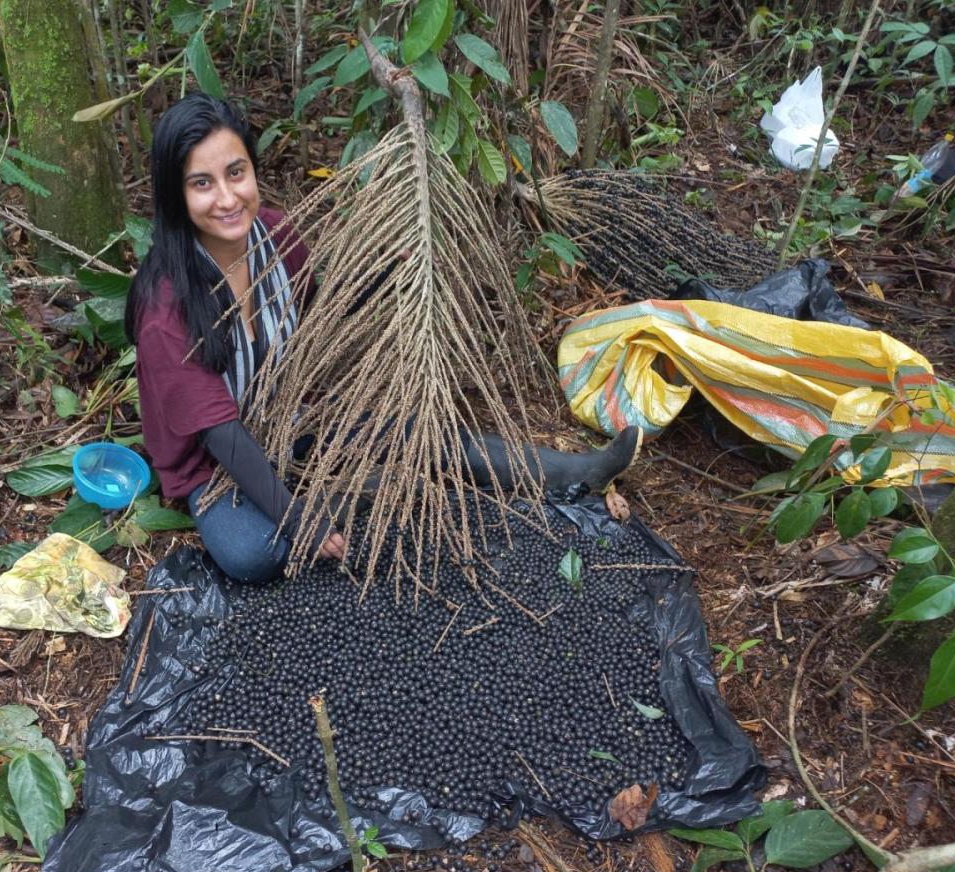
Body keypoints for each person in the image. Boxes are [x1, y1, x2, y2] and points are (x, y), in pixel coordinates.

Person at [127, 94, 643, 584]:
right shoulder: (165, 307)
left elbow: (320, 308)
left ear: (252, 168)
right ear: (177, 195)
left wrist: (379, 276)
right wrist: (299, 518)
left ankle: (579, 470)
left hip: (289, 417)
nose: (226, 197)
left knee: (424, 435)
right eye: (202, 183)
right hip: (216, 466)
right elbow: (224, 437)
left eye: (235, 173)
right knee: (253, 552)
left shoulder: (275, 235)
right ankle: (348, 497)